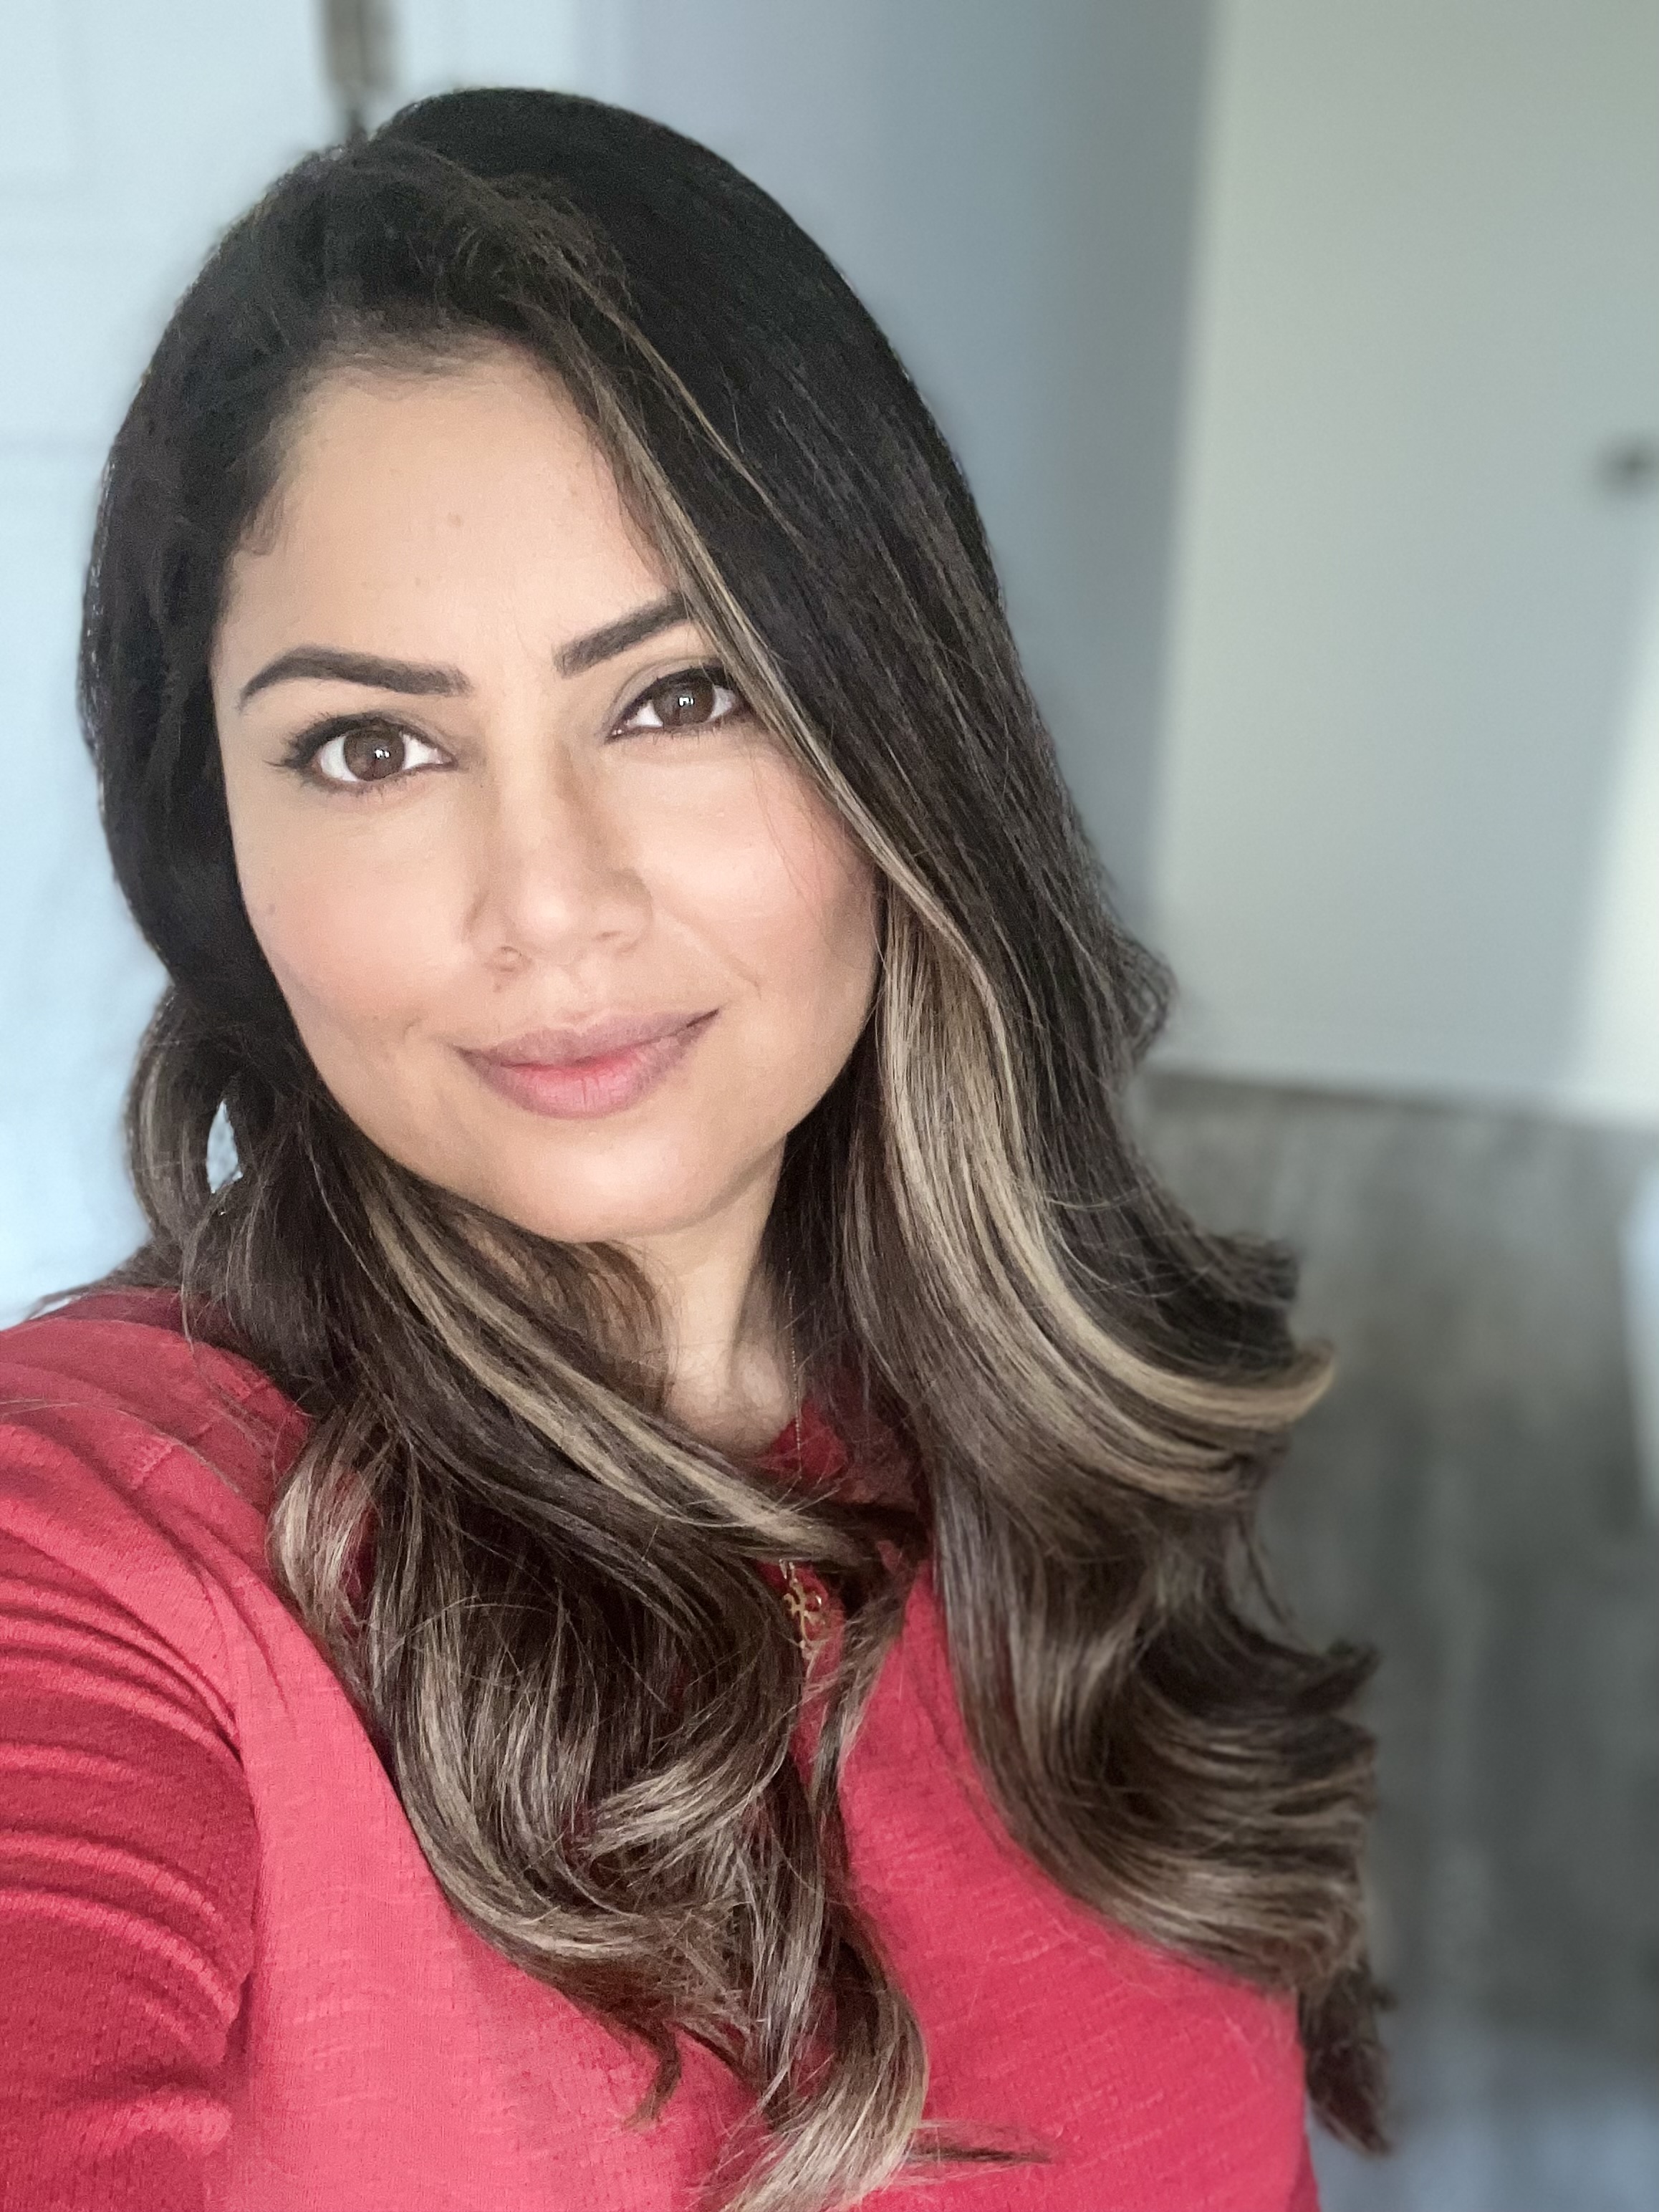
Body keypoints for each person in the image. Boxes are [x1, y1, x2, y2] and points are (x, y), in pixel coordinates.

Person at [0, 88, 1382, 2212]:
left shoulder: (1056, 1461)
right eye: (372, 748)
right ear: (222, 850)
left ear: (897, 735)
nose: (548, 905)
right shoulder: (95, 1547)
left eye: (678, 698)